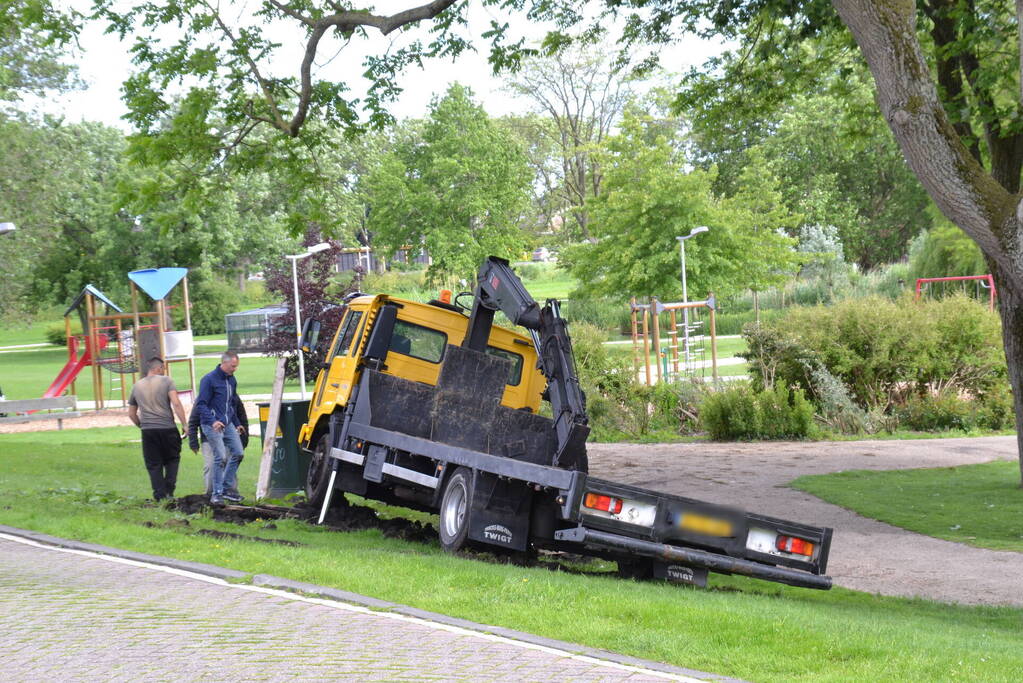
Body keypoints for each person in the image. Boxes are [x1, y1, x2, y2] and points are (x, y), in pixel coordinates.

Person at [128, 357, 189, 501]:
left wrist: (142, 425)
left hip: (148, 431)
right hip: (167, 428)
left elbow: (131, 413)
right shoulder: (167, 381)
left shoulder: (137, 386)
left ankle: (159, 496)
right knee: (172, 460)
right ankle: (169, 492)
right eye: (163, 369)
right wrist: (185, 424)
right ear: (159, 368)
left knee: (154, 464)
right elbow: (176, 403)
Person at [194, 350, 245, 505]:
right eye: (232, 366)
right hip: (212, 425)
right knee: (221, 457)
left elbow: (231, 405)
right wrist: (212, 421)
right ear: (224, 362)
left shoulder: (232, 380)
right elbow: (201, 404)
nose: (234, 369)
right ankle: (216, 494)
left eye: (236, 366)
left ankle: (226, 488)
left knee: (238, 453)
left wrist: (237, 423)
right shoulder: (208, 380)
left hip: (228, 423)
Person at [187, 392, 249, 499]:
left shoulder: (232, 396)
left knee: (229, 464)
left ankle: (230, 492)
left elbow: (241, 416)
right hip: (209, 439)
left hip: (228, 437)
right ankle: (210, 494)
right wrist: (193, 441)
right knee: (211, 465)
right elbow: (193, 420)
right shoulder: (203, 397)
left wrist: (244, 437)